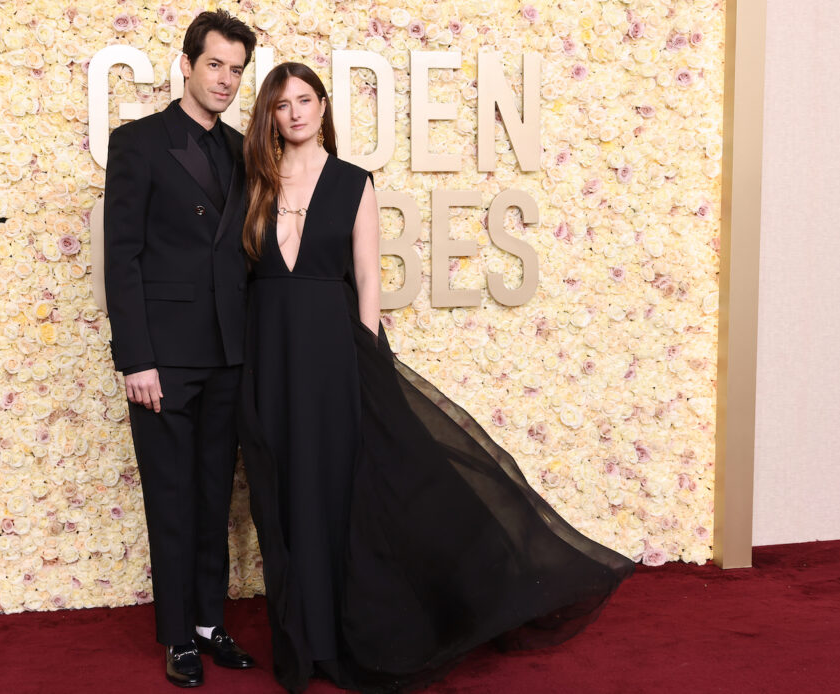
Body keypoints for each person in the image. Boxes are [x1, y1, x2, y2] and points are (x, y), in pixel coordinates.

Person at [238, 62, 635, 694]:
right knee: (284, 498)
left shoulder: (352, 183)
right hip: (269, 362)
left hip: (336, 361)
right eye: (282, 104)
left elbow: (368, 279)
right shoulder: (251, 181)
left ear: (322, 107)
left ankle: (343, 639)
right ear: (269, 114)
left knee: (340, 497)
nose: (294, 113)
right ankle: (300, 644)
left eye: (305, 100)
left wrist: (365, 362)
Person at [103, 10, 258, 688]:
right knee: (171, 497)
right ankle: (178, 638)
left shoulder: (242, 151)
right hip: (162, 361)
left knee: (213, 499)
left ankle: (207, 622)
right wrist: (136, 358)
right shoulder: (137, 144)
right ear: (187, 66)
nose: (225, 79)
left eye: (236, 70)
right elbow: (122, 257)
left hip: (229, 353)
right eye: (215, 65)